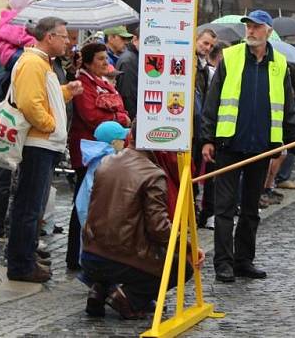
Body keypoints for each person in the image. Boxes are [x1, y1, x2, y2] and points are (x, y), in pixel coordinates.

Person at [201, 10, 295, 283]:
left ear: (269, 32)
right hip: (228, 145)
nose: (250, 31)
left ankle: (243, 260)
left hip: (261, 148)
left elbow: (288, 109)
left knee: (251, 209)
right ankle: (223, 263)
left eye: (256, 27)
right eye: (248, 26)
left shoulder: (280, 65)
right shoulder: (232, 57)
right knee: (225, 209)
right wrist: (207, 139)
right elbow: (212, 101)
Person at [81, 124, 205, 319]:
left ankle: (100, 288)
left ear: (131, 135)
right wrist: (188, 248)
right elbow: (159, 229)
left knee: (119, 249)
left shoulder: (106, 162)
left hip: (90, 254)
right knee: (182, 267)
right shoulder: (152, 174)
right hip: (119, 256)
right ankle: (129, 298)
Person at [7, 17, 83, 283]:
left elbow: (43, 97)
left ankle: (25, 256)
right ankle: (21, 264)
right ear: (49, 37)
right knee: (29, 206)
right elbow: (30, 103)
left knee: (33, 206)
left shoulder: (42, 64)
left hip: (44, 143)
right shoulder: (32, 63)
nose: (68, 42)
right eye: (64, 36)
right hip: (38, 143)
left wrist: (66, 91)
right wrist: (50, 126)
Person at [67, 42, 131, 270]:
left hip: (107, 150)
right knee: (82, 202)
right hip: (88, 151)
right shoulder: (83, 83)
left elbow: (123, 111)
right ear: (88, 61)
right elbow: (92, 116)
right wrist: (116, 117)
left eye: (107, 58)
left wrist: (115, 114)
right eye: (101, 59)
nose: (107, 63)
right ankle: (75, 255)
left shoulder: (105, 83)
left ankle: (95, 253)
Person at [194, 29, 217, 229]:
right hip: (192, 127)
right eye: (204, 43)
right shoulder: (191, 64)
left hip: (200, 126)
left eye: (210, 45)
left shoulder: (204, 68)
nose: (207, 47)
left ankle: (200, 210)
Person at [0, 0, 37, 71]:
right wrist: (35, 43)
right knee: (33, 62)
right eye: (31, 5)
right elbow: (19, 37)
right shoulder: (11, 20)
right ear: (22, 6)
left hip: (15, 52)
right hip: (10, 54)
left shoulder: (23, 19)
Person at [115, 25, 139, 119]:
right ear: (135, 39)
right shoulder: (129, 61)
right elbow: (128, 94)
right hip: (130, 117)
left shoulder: (134, 57)